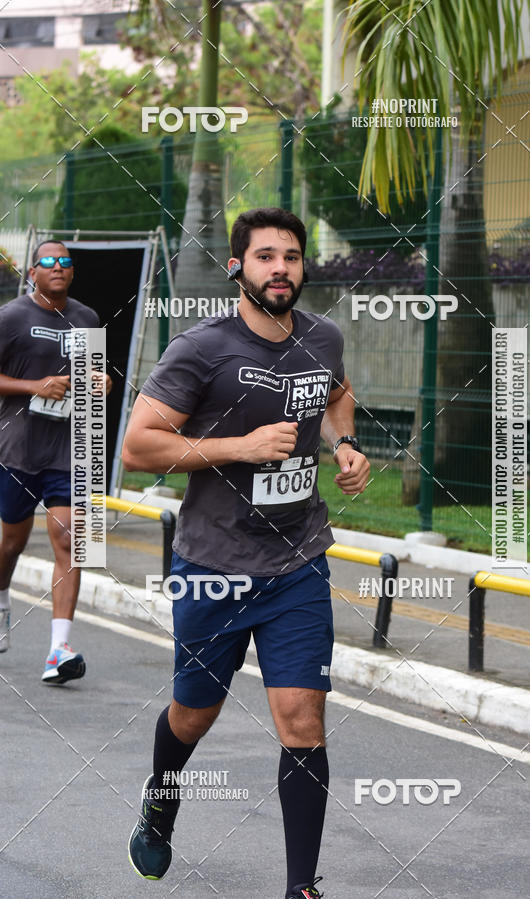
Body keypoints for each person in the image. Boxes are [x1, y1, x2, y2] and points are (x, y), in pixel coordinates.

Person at [122, 207, 369, 898]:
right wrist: (241, 446)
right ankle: (161, 799)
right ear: (237, 267)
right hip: (212, 566)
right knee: (193, 713)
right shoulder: (201, 349)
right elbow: (138, 446)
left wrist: (346, 444)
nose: (280, 268)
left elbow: (338, 395)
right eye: (265, 256)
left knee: (303, 720)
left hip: (297, 561)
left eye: (291, 256)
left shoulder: (323, 337)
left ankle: (301, 888)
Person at [0, 239, 111, 681]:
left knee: (72, 538)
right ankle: (2, 597)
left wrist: (100, 382)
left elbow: (89, 376)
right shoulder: (11, 317)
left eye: (65, 261)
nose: (58, 266)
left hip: (71, 447)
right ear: (32, 272)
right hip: (19, 448)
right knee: (12, 543)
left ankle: (58, 649)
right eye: (48, 261)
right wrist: (34, 386)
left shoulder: (87, 318)